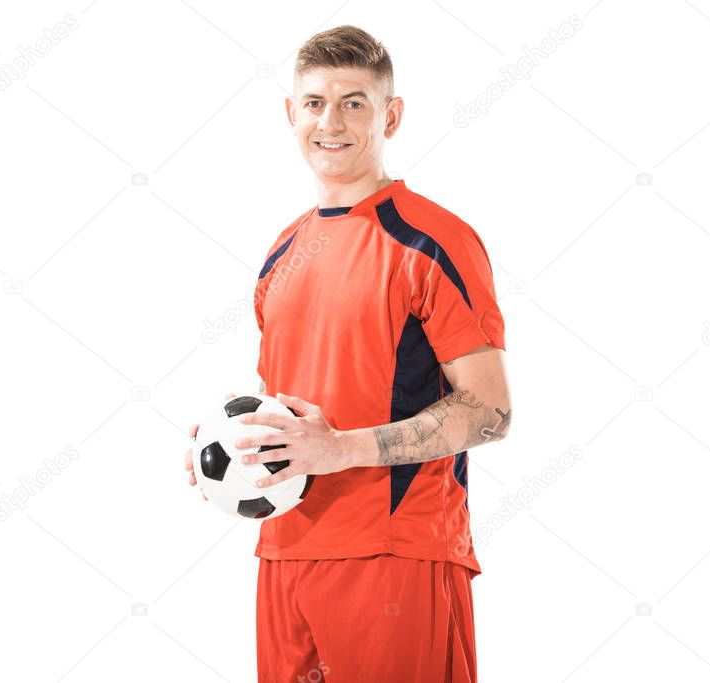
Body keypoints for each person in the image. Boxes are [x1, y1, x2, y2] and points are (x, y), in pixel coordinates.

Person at [184, 25, 512, 682]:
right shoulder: (282, 250)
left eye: (353, 102)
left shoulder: (431, 240)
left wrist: (340, 449)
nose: (329, 121)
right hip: (282, 548)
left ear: (390, 114)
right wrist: (234, 440)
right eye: (312, 102)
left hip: (393, 553)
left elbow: (489, 412)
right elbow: (296, 397)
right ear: (290, 114)